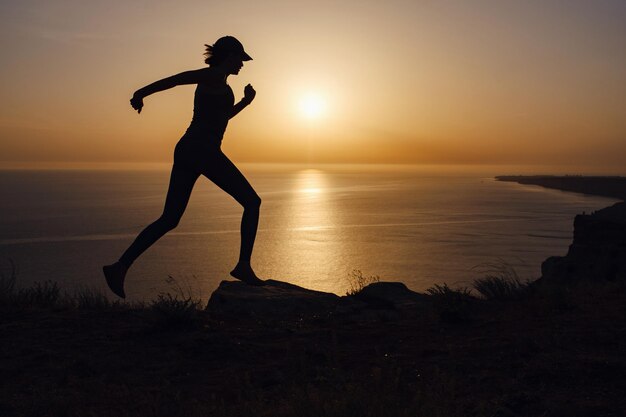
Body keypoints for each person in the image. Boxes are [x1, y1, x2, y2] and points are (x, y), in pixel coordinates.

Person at [103, 36, 264, 299]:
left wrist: (245, 103)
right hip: (202, 151)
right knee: (252, 202)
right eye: (240, 59)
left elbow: (221, 119)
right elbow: (176, 79)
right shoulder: (211, 76)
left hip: (192, 150)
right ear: (229, 56)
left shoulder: (220, 83)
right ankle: (243, 266)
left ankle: (119, 268)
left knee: (170, 218)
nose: (243, 65)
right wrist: (140, 93)